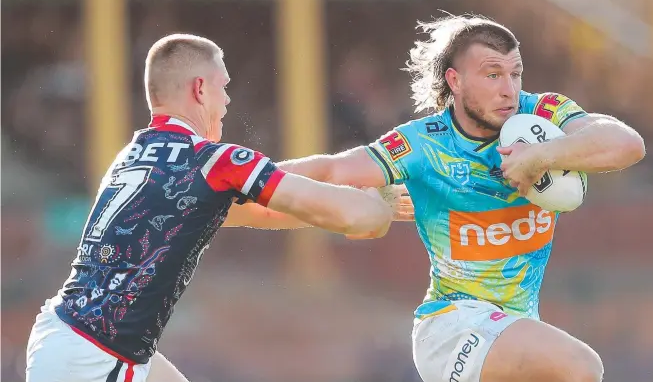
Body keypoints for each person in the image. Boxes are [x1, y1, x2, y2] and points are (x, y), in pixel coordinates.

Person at [276, 14, 646, 382]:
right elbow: (332, 171)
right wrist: (248, 175)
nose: (509, 89)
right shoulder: (423, 142)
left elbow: (627, 144)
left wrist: (540, 155)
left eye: (515, 73)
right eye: (492, 74)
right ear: (455, 81)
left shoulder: (542, 116)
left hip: (515, 326)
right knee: (580, 367)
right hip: (451, 325)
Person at [25, 33, 406, 382]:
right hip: (98, 358)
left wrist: (353, 184)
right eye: (224, 87)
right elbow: (362, 219)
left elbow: (265, 208)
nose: (226, 101)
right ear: (199, 88)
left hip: (66, 334)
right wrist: (376, 204)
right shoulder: (214, 161)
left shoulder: (135, 155)